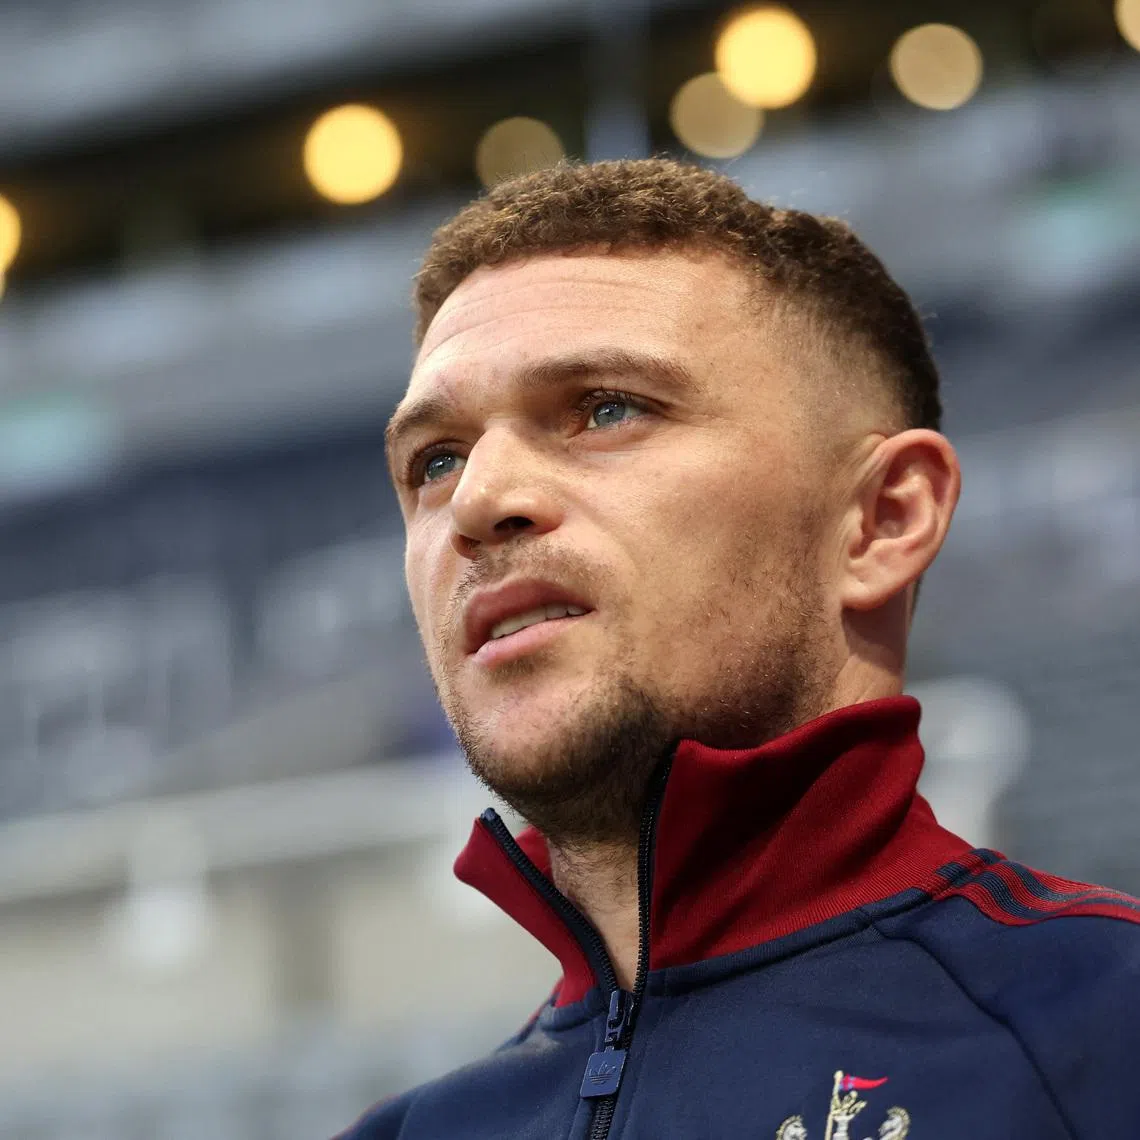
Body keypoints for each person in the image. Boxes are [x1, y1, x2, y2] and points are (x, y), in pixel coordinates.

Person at [337, 159, 1139, 1139]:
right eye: (438, 459)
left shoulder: (1103, 1034)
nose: (476, 501)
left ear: (881, 521)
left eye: (605, 408)